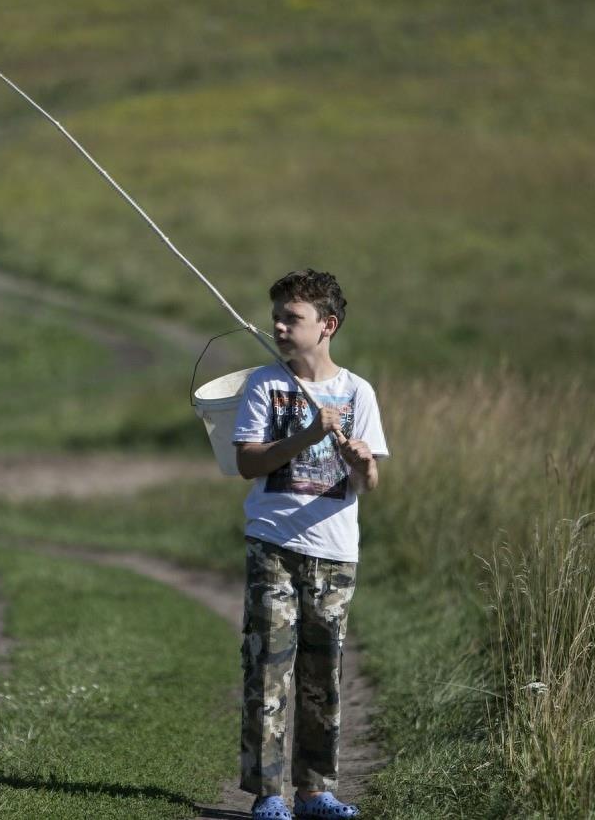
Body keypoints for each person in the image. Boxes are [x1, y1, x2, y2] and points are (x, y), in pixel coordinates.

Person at [231, 269, 389, 820]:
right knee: (268, 666)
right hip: (272, 543)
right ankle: (268, 794)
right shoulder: (264, 384)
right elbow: (246, 461)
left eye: (291, 318)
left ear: (327, 325)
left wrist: (363, 461)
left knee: (323, 674)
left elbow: (368, 484)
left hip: (335, 551)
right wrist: (308, 434)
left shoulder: (357, 392)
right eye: (276, 315)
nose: (277, 325)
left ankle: (315, 790)